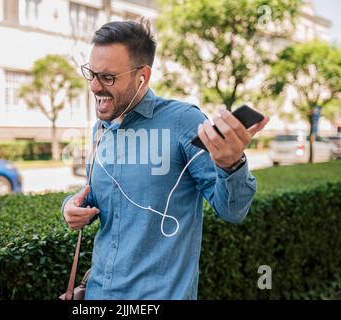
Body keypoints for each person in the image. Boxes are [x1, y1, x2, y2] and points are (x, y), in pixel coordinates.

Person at [61, 19, 269, 300]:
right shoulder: (100, 131)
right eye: (92, 74)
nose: (95, 87)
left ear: (142, 76)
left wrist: (231, 165)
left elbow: (232, 210)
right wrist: (71, 208)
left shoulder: (184, 121)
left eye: (108, 77)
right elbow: (98, 198)